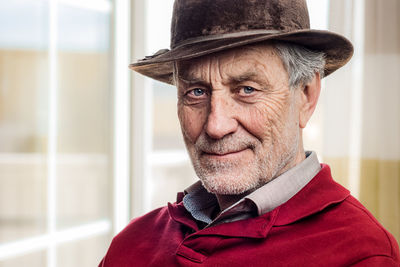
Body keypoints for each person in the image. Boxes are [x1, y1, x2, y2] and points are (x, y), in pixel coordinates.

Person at [100, 0, 400, 266]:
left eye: (247, 89)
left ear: (306, 96)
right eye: (196, 92)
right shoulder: (130, 246)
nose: (216, 126)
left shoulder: (362, 255)